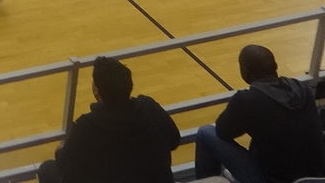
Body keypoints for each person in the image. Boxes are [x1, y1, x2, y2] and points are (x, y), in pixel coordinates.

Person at [36, 56, 180, 183]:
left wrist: (59, 151)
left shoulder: (87, 125)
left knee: (47, 169)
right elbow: (174, 140)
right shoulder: (149, 107)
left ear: (96, 91)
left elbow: (65, 167)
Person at [195, 44, 325, 183]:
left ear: (244, 71)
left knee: (205, 133)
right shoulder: (301, 89)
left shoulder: (246, 100)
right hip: (316, 178)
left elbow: (222, 131)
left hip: (273, 180)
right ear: (275, 66)